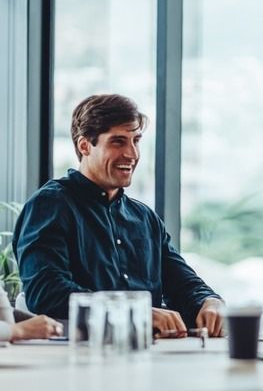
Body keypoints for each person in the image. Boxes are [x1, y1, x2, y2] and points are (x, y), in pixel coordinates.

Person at [13, 94, 224, 338]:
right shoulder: (50, 205)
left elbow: (182, 283)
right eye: (118, 142)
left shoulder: (144, 218)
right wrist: (135, 312)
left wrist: (209, 301)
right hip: (78, 359)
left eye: (136, 141)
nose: (132, 154)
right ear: (84, 146)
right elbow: (47, 292)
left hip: (150, 357)